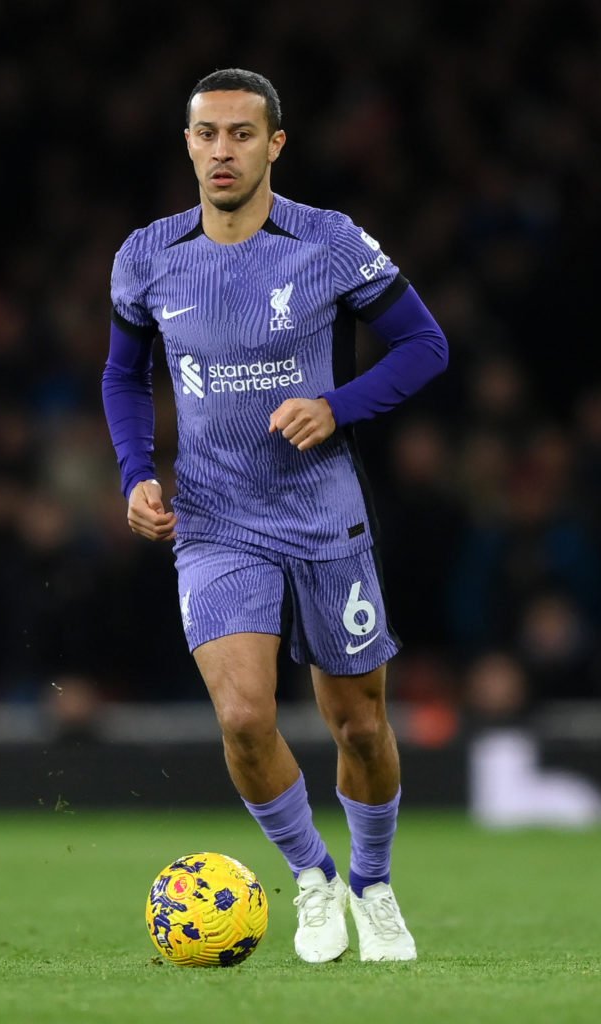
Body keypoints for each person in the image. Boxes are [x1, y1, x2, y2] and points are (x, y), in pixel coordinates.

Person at [102, 69, 448, 963]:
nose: (223, 151)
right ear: (188, 145)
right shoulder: (146, 255)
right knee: (246, 716)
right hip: (214, 518)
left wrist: (340, 405)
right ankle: (312, 878)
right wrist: (138, 472)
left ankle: (373, 884)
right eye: (208, 134)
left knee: (360, 725)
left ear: (275, 146)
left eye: (242, 135)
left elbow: (425, 345)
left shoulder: (327, 244)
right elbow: (122, 375)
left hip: (323, 510)